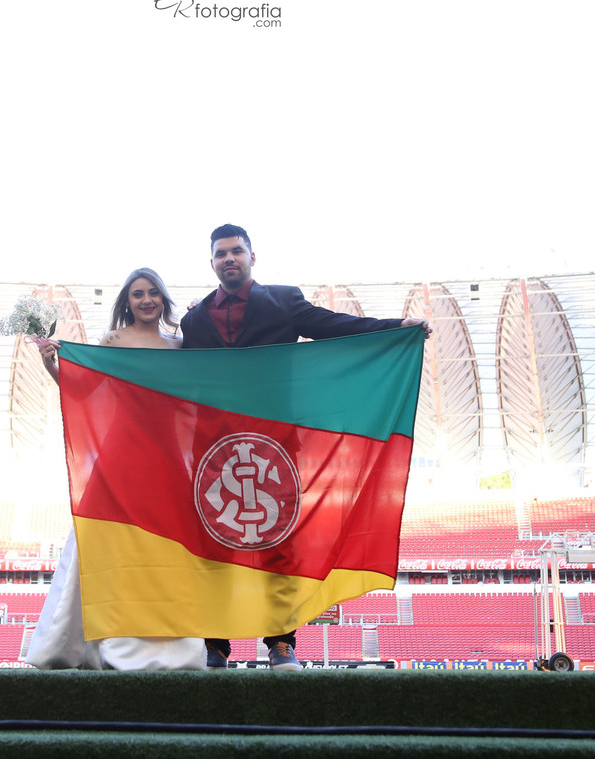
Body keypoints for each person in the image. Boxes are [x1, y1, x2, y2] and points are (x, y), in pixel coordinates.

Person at [180, 223, 432, 671]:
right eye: (221, 253)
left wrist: (395, 328)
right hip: (216, 446)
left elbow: (333, 326)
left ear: (252, 256)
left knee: (279, 543)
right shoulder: (194, 319)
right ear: (212, 262)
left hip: (275, 442)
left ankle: (281, 642)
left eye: (236, 251)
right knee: (214, 545)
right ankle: (214, 646)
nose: (229, 259)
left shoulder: (283, 300)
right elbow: (171, 374)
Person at [26, 268, 205, 671]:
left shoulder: (180, 344)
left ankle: (175, 650)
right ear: (127, 302)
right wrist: (51, 364)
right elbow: (84, 390)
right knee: (101, 541)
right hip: (122, 454)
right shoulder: (114, 341)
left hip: (167, 458)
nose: (146, 300)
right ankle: (82, 646)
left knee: (167, 548)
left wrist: (201, 315)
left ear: (163, 299)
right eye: (138, 294)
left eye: (153, 293)